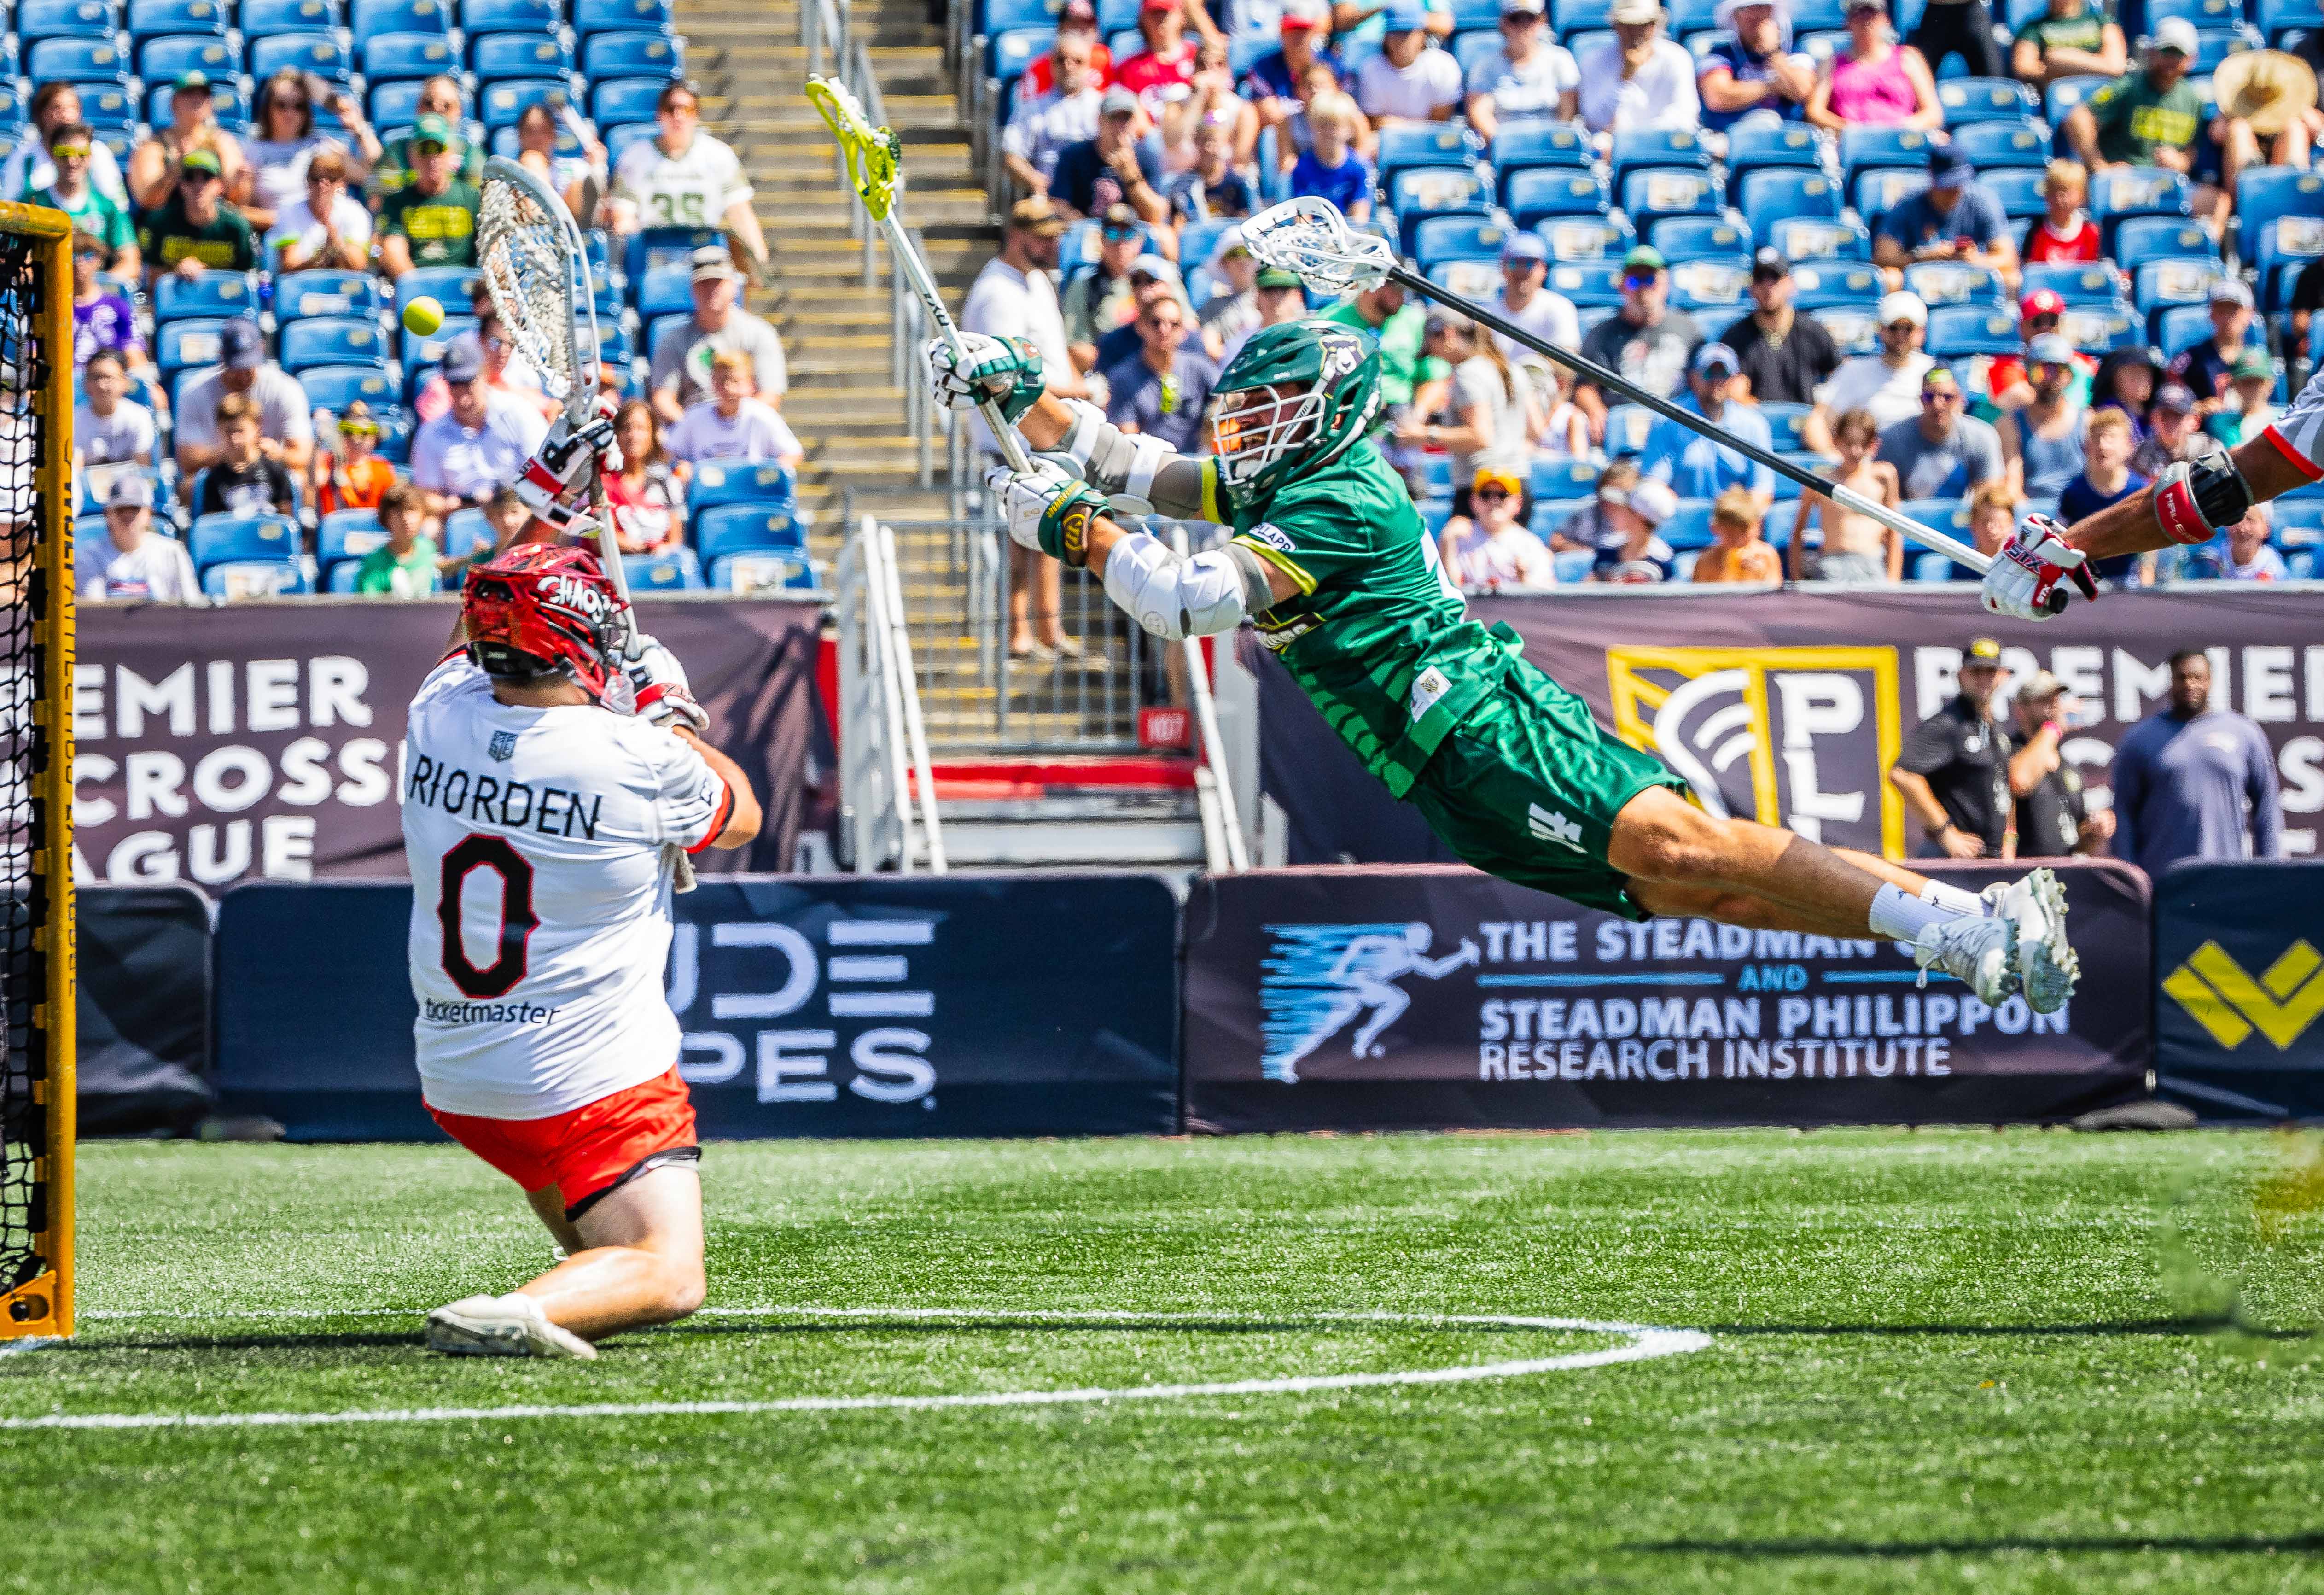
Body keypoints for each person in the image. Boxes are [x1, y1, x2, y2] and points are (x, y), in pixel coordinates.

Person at [934, 321, 2079, 1011]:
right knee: (1703, 889)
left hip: (1482, 720)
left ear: (1327, 411)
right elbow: (1132, 463)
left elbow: (1182, 599)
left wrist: (1071, 529)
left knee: (1691, 844)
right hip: (1441, 773)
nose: (1245, 432)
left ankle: (1964, 929)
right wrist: (1014, 383)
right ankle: (1961, 928)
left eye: (1270, 410)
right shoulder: (1288, 478)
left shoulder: (1341, 489)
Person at [408, 541, 762, 1359]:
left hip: (461, 1077)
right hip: (585, 1082)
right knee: (671, 1273)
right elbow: (741, 812)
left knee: (605, 1247)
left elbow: (475, 625)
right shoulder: (635, 757)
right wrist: (668, 712)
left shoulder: (437, 712)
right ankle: (511, 1310)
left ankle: (574, 1281)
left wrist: (543, 492)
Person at [2108, 649, 2282, 878]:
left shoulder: (2244, 734)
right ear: (2171, 681)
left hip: (2227, 878)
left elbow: (2267, 806)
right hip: (2164, 880)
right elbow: (2124, 812)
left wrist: (2272, 871)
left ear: (2210, 680)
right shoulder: (2140, 739)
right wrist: (2129, 877)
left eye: (2197, 678)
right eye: (2182, 678)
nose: (2190, 685)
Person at [604, 81, 768, 275]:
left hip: (705, 254)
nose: (678, 116)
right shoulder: (635, 157)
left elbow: (740, 213)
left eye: (687, 110)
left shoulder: (719, 156)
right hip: (653, 254)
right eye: (671, 109)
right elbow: (623, 217)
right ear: (659, 115)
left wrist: (758, 260)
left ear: (697, 116)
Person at [1401, 307, 1538, 529]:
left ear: (1447, 335)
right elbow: (1536, 429)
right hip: (1518, 488)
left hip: (1485, 492)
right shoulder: (1513, 370)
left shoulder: (1468, 374)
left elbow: (1481, 436)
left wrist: (1423, 434)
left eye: (1432, 348)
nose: (1435, 356)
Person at [1891, 637, 2012, 859]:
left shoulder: (1991, 725)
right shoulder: (1949, 723)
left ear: (2003, 676)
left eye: (1990, 672)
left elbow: (2002, 788)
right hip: (1954, 857)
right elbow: (1902, 774)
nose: (1984, 679)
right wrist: (1946, 832)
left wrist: (2010, 837)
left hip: (1988, 857)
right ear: (1961, 676)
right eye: (1976, 672)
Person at [412, 335, 552, 519]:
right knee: (431, 528)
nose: (463, 397)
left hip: (518, 511)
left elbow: (545, 475)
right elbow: (427, 494)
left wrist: (503, 500)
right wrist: (451, 504)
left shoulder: (519, 414)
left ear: (484, 375)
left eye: (469, 383)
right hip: (461, 516)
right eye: (455, 385)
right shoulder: (430, 434)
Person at [1574, 246, 1703, 439]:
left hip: (1676, 428)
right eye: (1635, 281)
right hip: (1624, 429)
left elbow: (1702, 381)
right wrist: (1595, 410)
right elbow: (1586, 387)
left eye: (1650, 280)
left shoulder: (1688, 328)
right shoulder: (1601, 334)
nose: (1643, 288)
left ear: (1665, 284)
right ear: (1622, 286)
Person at [648, 246, 788, 425]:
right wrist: (695, 430)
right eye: (704, 283)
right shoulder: (673, 340)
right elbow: (663, 398)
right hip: (692, 433)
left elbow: (771, 395)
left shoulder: (760, 333)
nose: (711, 290)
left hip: (747, 430)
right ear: (693, 289)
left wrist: (733, 427)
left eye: (718, 282)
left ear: (734, 286)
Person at [1641, 344, 1776, 505]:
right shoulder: (1667, 421)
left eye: (1724, 373)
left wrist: (1733, 517)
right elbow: (1654, 484)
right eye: (1709, 372)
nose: (1716, 381)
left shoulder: (1754, 424)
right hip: (1681, 523)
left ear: (1734, 379)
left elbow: (1762, 490)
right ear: (1693, 378)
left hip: (1734, 524)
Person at [175, 320, 315, 476]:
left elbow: (302, 456)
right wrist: (230, 453)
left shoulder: (286, 388)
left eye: (248, 366)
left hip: (269, 474)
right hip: (218, 477)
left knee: (299, 478)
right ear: (222, 356)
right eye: (236, 367)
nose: (242, 375)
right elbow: (187, 459)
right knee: (190, 485)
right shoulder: (194, 392)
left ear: (261, 350)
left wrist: (277, 455)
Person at [242, 68, 379, 228]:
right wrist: (288, 221)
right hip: (277, 238)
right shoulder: (252, 151)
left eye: (298, 106)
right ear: (268, 109)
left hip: (321, 237)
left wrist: (359, 128)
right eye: (281, 105)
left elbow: (376, 173)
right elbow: (241, 211)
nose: (290, 112)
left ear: (306, 112)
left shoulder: (323, 147)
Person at [2065, 21, 2202, 176]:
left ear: (2192, 59)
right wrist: (2099, 167)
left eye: (2178, 54)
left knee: (2217, 199)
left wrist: (2182, 160)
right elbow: (2078, 117)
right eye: (2166, 51)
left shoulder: (2193, 99)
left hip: (2166, 186)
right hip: (2126, 181)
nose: (2171, 60)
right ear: (2152, 52)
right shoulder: (2128, 86)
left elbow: (2193, 148)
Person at [1872, 145, 2020, 287]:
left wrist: (1974, 260)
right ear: (1932, 174)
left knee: (2012, 280)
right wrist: (1925, 257)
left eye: (1958, 183)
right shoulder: (1908, 205)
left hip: (1970, 280)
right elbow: (1882, 258)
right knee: (1891, 278)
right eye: (1948, 185)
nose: (1954, 191)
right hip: (1923, 281)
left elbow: (2008, 258)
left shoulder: (1982, 200)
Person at [2005, 672, 2114, 859]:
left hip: (2065, 875)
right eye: (2044, 701)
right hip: (2025, 875)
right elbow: (2021, 781)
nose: (2054, 707)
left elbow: (2077, 843)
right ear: (2021, 710)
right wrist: (2054, 727)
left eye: (2057, 699)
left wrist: (2094, 833)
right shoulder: (2010, 752)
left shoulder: (2069, 766)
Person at [1718, 249, 1840, 411]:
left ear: (1791, 284)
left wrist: (1821, 413)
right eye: (1760, 278)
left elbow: (1841, 375)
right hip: (1758, 429)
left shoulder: (1813, 331)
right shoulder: (1736, 337)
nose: (1768, 286)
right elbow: (1734, 391)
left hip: (1807, 426)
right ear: (1752, 288)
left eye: (1775, 277)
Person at [1790, 406, 1901, 579]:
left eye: (1863, 444)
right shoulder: (1820, 482)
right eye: (1849, 443)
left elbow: (1895, 531)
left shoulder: (1884, 476)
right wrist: (1797, 579)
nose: (1855, 451)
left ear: (1874, 445)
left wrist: (1894, 580)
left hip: (1871, 564)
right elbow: (1798, 533)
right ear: (1836, 442)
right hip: (1831, 564)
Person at [1102, 295, 1219, 452]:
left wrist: (1214, 418)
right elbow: (1128, 442)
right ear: (1140, 326)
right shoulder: (1122, 377)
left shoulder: (1199, 367)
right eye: (1156, 323)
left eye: (1174, 324)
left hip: (1198, 461)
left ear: (1184, 332)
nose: (1165, 330)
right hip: (1150, 463)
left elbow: (1230, 398)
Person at [1807, 0, 1941, 132]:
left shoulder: (1908, 57)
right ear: (1848, 22)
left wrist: (1901, 128)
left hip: (1900, 138)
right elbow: (1815, 112)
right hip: (1849, 142)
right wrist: (1849, 130)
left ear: (1886, 20)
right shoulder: (1832, 63)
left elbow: (1933, 114)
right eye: (1860, 14)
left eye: (1873, 14)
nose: (1867, 20)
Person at [1050, 86, 1172, 228]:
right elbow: (1058, 204)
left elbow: (1156, 214)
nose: (1120, 126)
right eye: (1114, 118)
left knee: (1164, 235)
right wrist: (1087, 228)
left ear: (1134, 123)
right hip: (1087, 231)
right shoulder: (1074, 155)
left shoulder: (1145, 155)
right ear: (1100, 120)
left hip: (1130, 234)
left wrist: (1132, 177)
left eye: (1125, 118)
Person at [1878, 366, 2006, 502]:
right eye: (1929, 397)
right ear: (1921, 400)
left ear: (1959, 400)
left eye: (1947, 397)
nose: (1938, 405)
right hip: (1905, 520)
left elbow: (1991, 497)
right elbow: (1879, 498)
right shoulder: (1893, 439)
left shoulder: (1981, 437)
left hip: (1962, 520)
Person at [136, 147, 257, 287]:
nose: (198, 186)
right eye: (190, 178)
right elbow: (150, 283)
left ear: (219, 185)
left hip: (222, 303)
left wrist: (207, 275)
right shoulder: (158, 223)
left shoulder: (237, 227)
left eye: (207, 178)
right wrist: (176, 272)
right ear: (181, 185)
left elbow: (247, 283)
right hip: (177, 303)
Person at [30, 123, 139, 280]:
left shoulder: (107, 207)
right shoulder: (33, 205)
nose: (72, 162)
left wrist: (92, 290)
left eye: (81, 154)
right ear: (51, 155)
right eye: (64, 153)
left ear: (91, 157)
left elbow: (130, 262)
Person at [377, 116, 482, 277]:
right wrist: (421, 288)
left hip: (465, 289)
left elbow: (492, 250)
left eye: (438, 148)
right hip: (418, 286)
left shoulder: (472, 198)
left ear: (450, 153)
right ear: (411, 156)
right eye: (425, 149)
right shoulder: (396, 202)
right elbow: (393, 251)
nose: (432, 158)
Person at [2053, 405, 2148, 584]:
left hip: (2130, 584)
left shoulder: (2140, 491)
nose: (2103, 446)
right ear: (2087, 446)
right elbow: (2062, 545)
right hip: (2085, 585)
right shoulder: (2074, 493)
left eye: (2111, 438)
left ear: (2128, 445)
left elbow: (2148, 551)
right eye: (2096, 438)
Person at [1577, 0, 1701, 136]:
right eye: (1628, 25)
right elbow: (1594, 119)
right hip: (1609, 148)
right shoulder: (1594, 61)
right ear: (1616, 26)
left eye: (1644, 25)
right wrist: (1625, 78)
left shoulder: (1677, 58)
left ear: (1655, 25)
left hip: (1662, 145)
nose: (1636, 32)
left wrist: (1635, 138)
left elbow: (1684, 116)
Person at [128, 71, 248, 210]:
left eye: (203, 94)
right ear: (174, 102)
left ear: (210, 103)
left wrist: (240, 183)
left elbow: (236, 199)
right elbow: (147, 199)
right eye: (188, 93)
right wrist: (177, 167)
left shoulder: (222, 142)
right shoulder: (155, 146)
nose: (196, 99)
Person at [1816, 290, 1933, 433]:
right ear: (1881, 330)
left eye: (1908, 329)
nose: (1900, 335)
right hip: (1866, 454)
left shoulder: (1932, 371)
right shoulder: (1854, 370)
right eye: (1894, 328)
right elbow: (1820, 422)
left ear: (1921, 333)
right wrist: (1832, 454)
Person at [1004, 29, 1104, 196]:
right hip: (1047, 195)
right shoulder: (1031, 108)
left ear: (1089, 65)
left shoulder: (1103, 108)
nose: (1068, 66)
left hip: (1094, 196)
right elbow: (1012, 156)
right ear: (1051, 65)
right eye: (1061, 60)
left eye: (1077, 61)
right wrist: (1036, 181)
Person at [1462, 0, 1579, 142]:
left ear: (1542, 21)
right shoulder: (1485, 65)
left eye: (1530, 19)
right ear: (1503, 23)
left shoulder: (1561, 60)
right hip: (1503, 150)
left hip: (1551, 147)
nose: (1523, 27)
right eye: (1515, 19)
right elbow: (1480, 113)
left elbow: (1567, 112)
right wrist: (1507, 145)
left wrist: (1551, 143)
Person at [666, 349, 804, 469]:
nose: (729, 389)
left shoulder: (763, 416)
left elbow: (793, 453)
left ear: (750, 384)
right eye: (722, 382)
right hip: (707, 493)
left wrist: (774, 471)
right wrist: (681, 465)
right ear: (713, 383)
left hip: (751, 492)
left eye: (736, 382)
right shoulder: (695, 417)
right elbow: (669, 452)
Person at [1698, 0, 1817, 136]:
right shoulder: (1720, 56)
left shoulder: (1795, 54)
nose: (1755, 15)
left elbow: (1801, 91)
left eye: (1762, 8)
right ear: (1735, 17)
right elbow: (1717, 97)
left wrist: (1773, 53)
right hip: (1728, 138)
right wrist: (1772, 87)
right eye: (1746, 9)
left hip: (1788, 139)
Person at [1, 82, 130, 208]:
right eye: (57, 108)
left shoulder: (97, 152)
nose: (66, 115)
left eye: (72, 108)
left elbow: (118, 204)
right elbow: (9, 207)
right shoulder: (24, 156)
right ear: (41, 114)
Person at [1994, 334, 2089, 501]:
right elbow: (2013, 487)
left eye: (2057, 370)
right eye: (2040, 371)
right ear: (2028, 375)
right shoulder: (2010, 425)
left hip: (2078, 511)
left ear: (2070, 376)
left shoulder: (2088, 421)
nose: (2049, 379)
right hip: (2034, 513)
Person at [80, 473, 200, 602]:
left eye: (135, 509)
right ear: (107, 514)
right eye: (121, 509)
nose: (128, 515)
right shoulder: (89, 557)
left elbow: (190, 609)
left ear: (149, 514)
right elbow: (93, 614)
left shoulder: (172, 552)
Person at [369, 75, 487, 200]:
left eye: (446, 106)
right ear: (418, 108)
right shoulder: (397, 151)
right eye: (429, 103)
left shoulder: (470, 153)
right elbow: (375, 193)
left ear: (459, 111)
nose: (437, 110)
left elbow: (480, 196)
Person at [262, 146, 373, 274]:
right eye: (316, 178)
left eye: (330, 179)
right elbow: (288, 267)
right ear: (307, 181)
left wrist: (337, 244)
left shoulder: (356, 213)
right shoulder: (289, 211)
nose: (322, 186)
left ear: (340, 182)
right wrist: (322, 257)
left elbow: (358, 267)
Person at [192, 393, 300, 517]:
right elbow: (213, 527)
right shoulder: (214, 478)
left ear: (257, 429)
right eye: (228, 432)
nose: (235, 438)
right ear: (219, 431)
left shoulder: (275, 470)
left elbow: (286, 519)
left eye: (241, 431)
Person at [1444, 464, 1554, 585]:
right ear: (1473, 501)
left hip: (1515, 605)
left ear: (1518, 503)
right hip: (1472, 605)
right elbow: (1452, 594)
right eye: (1485, 495)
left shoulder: (1530, 544)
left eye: (1503, 495)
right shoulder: (1458, 538)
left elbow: (1546, 597)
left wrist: (1525, 581)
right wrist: (1447, 541)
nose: (1494, 501)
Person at [1490, 234, 1580, 375]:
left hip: (1543, 388)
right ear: (1502, 268)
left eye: (1530, 264)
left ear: (1544, 270)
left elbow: (1567, 364)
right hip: (1498, 388)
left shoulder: (1560, 307)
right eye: (1514, 263)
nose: (1522, 271)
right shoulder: (1486, 313)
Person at [605, 400, 686, 555]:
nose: (633, 436)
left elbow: (676, 541)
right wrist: (642, 548)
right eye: (626, 429)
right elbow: (601, 539)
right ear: (616, 435)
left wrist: (663, 551)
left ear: (653, 436)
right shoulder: (604, 483)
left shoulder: (666, 480)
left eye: (642, 429)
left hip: (662, 564)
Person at [1359, 5, 1462, 125]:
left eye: (1407, 33)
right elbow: (1375, 121)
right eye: (1395, 33)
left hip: (1430, 141)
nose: (1401, 40)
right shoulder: (1370, 69)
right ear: (1385, 38)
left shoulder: (1444, 66)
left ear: (1422, 36)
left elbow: (1439, 123)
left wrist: (1401, 127)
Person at [2165, 280, 2259, 407]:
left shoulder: (2258, 361)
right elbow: (2167, 401)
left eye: (2233, 310)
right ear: (2211, 314)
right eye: (2221, 310)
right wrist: (2197, 407)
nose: (2227, 318)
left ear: (2249, 314)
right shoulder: (2191, 359)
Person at [69, 231, 145, 374]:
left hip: (110, 382)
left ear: (99, 260)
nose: (80, 263)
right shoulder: (51, 308)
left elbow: (134, 356)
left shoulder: (118, 306)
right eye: (72, 256)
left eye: (88, 256)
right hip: (65, 385)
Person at [1289, 93, 1373, 221]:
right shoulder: (1302, 169)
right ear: (1312, 126)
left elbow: (1360, 216)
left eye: (1335, 125)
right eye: (1322, 126)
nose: (1328, 132)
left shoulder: (1359, 168)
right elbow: (1302, 218)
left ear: (1350, 129)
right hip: (1315, 236)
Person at [356, 481, 444, 598]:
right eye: (398, 512)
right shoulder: (374, 564)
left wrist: (471, 557)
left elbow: (441, 566)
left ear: (423, 515)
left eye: (412, 510)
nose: (406, 519)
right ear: (386, 518)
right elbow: (369, 612)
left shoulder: (428, 547)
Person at [1015, 0, 1115, 102]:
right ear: (1061, 28)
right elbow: (1029, 110)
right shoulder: (1039, 68)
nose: (1082, 29)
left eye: (1087, 24)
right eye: (1075, 25)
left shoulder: (1104, 57)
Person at [1168, 114, 1256, 226]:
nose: (1210, 149)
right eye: (1205, 142)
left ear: (1226, 143)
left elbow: (1247, 221)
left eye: (1215, 142)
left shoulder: (1239, 182)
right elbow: (1180, 224)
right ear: (1196, 143)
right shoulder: (1184, 186)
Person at [2009, 0, 2122, 87]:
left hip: (2100, 91)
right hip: (2058, 95)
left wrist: (2060, 62)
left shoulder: (2103, 22)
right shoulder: (2032, 29)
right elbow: (2024, 68)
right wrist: (2092, 65)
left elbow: (2115, 66)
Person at [312, 401, 397, 516]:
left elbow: (393, 509)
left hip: (373, 533)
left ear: (376, 437)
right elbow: (315, 482)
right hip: (336, 531)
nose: (356, 440)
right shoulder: (327, 462)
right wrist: (319, 431)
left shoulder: (382, 468)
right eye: (349, 431)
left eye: (364, 433)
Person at [75, 350, 155, 470]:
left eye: (109, 378)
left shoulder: (140, 417)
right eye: (96, 378)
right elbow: (76, 470)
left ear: (124, 382)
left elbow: (144, 469)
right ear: (86, 384)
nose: (102, 385)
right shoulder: (75, 420)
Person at [1594, 474, 1680, 580]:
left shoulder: (1663, 560)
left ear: (1638, 517)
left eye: (1627, 509)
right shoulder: (1607, 547)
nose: (1620, 511)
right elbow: (1590, 586)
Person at [1693, 487, 1784, 583]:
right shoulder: (1706, 561)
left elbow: (1775, 594)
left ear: (1757, 527)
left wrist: (1762, 577)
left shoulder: (1767, 556)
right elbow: (1701, 596)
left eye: (1744, 532)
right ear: (1716, 528)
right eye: (1730, 533)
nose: (1738, 541)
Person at [2182, 502, 2289, 579]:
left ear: (2266, 529)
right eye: (2236, 519)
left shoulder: (2273, 567)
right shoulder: (2212, 559)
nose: (2243, 528)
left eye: (2251, 520)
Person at [2022, 159, 2101, 264]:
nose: (2060, 198)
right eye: (2055, 191)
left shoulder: (2090, 231)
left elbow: (2096, 273)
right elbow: (2030, 271)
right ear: (2046, 194)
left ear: (2082, 196)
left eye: (2067, 191)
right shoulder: (2036, 231)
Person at [2206, 347, 2280, 445]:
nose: (2252, 389)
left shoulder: (2283, 420)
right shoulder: (2219, 422)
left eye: (2258, 383)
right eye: (2246, 383)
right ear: (2234, 386)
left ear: (2270, 384)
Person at [2131, 381, 2201, 479]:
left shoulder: (2208, 450)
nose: (2170, 422)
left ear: (2194, 422)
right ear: (2153, 419)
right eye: (2165, 415)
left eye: (2178, 416)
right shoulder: (2140, 457)